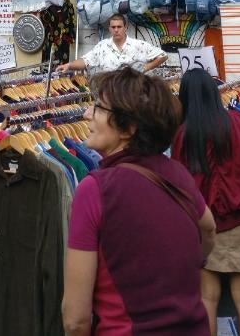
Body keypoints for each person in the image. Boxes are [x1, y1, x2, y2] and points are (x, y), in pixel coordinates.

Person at [62, 66, 216, 335]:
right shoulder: (177, 172)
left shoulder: (95, 189)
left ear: (128, 128)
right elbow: (209, 228)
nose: (87, 113)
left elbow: (75, 319)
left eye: (98, 108)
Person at [172, 68, 240, 336]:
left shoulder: (182, 134)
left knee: (207, 298)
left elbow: (179, 187)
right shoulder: (238, 123)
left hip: (204, 228)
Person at [56, 13, 167, 75]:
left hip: (135, 97)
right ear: (109, 29)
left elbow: (163, 56)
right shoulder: (102, 46)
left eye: (119, 27)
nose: (116, 30)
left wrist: (145, 68)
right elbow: (86, 61)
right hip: (110, 96)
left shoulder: (138, 45)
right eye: (113, 27)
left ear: (125, 28)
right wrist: (69, 65)